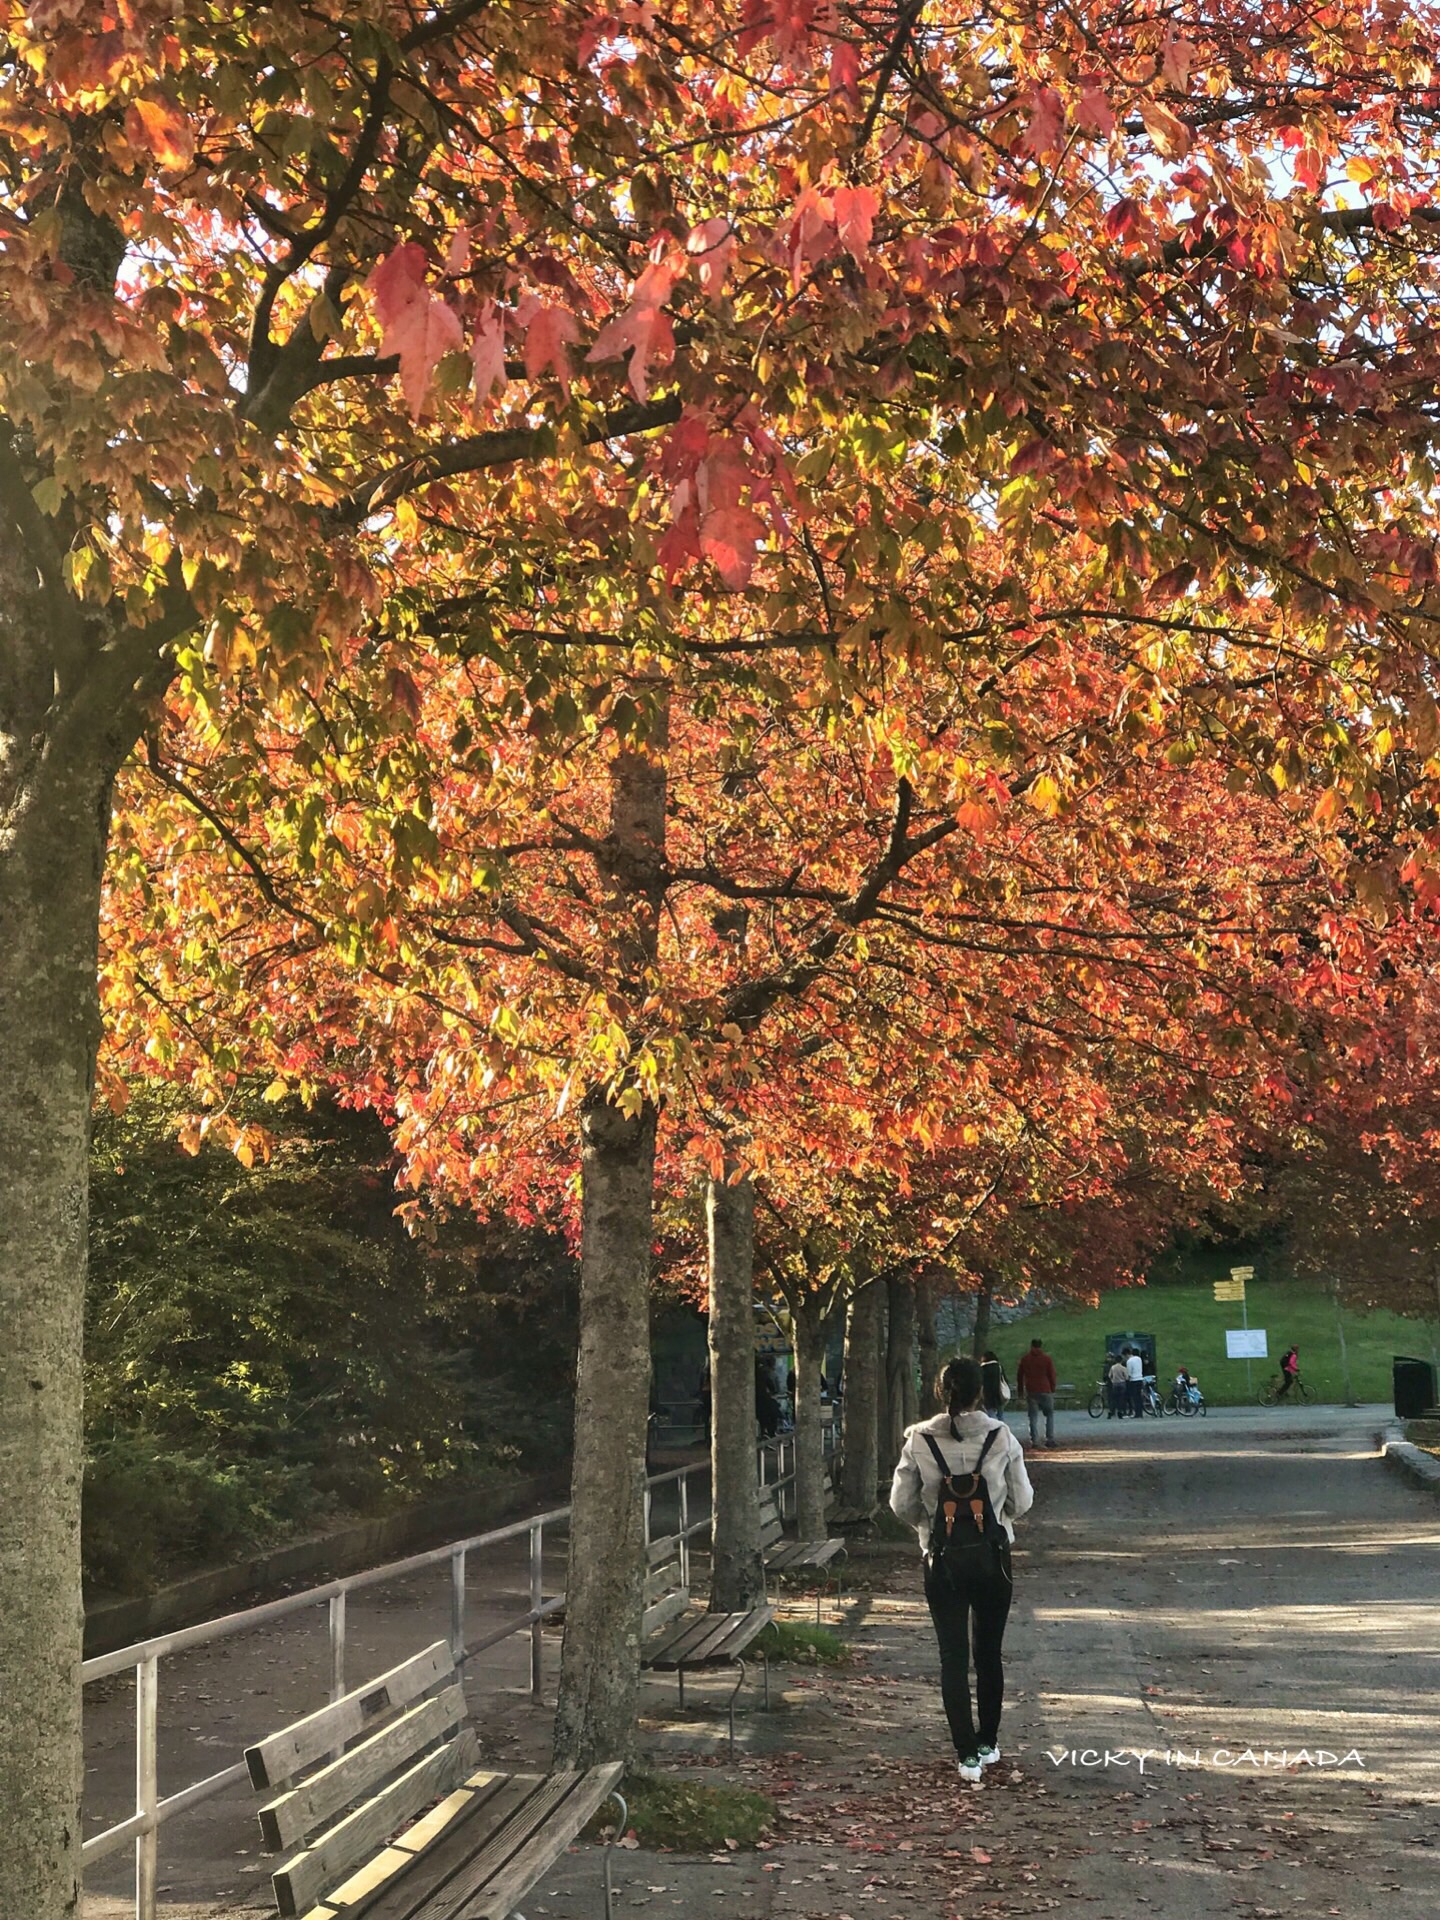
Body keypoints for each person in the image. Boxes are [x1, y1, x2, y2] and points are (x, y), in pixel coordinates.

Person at [890, 1356, 1034, 1783]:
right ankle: (989, 1742)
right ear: (981, 1392)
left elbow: (900, 1502)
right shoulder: (1001, 1436)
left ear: (941, 1391)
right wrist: (999, 1518)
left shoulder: (918, 1439)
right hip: (993, 1557)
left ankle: (965, 1753)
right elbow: (1022, 1500)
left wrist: (928, 1525)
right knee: (988, 1653)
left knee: (952, 1656)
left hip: (942, 1558)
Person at [1015, 1337, 1057, 1449]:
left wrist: (1020, 1392)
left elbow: (1019, 1376)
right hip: (1045, 1389)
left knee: (1033, 1416)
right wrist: (1052, 1388)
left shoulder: (1025, 1359)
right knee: (1050, 1415)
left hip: (1031, 1390)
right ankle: (1050, 1439)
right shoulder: (1046, 1359)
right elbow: (1052, 1374)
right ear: (1040, 1346)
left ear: (1031, 1346)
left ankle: (1035, 1440)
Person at [979, 1349, 1011, 1417]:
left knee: (990, 1414)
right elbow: (1004, 1379)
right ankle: (1001, 1426)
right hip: (999, 1394)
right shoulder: (999, 1367)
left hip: (988, 1395)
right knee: (1000, 1415)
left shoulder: (983, 1368)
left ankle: (994, 1426)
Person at [1124, 1346, 1144, 1418]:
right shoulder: (1139, 1358)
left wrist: (1127, 1379)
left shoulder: (1129, 1361)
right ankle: (1140, 1413)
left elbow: (1129, 1373)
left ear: (1126, 1355)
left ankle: (1137, 1414)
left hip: (1134, 1380)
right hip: (1140, 1379)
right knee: (1139, 1397)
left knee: (1135, 1398)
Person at [1107, 1352, 1128, 1418]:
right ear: (1121, 1360)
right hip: (1122, 1384)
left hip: (1115, 1384)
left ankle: (1111, 1411)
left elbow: (1109, 1375)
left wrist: (1112, 1380)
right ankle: (1121, 1411)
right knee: (1121, 1398)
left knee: (1114, 1398)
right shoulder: (1123, 1368)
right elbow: (1126, 1377)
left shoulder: (1113, 1367)